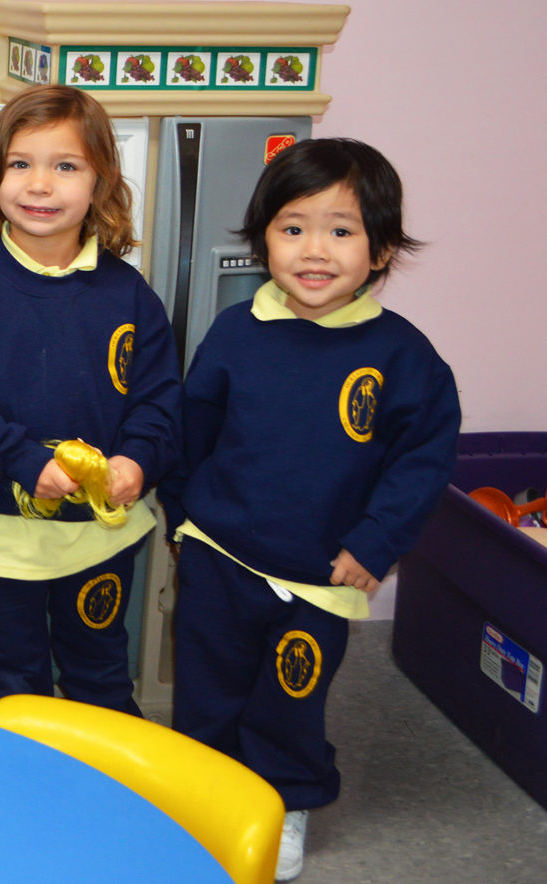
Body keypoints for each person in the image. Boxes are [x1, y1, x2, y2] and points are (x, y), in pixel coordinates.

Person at [158, 138, 459, 882]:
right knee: (206, 691)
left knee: (288, 701)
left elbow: (419, 463)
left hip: (323, 576)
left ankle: (282, 804)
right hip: (220, 559)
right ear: (264, 238)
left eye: (341, 230)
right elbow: (192, 428)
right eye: (293, 228)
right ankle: (203, 796)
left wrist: (375, 544)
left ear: (382, 249)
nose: (314, 250)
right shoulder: (236, 332)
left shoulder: (403, 358)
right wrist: (184, 515)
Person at [0, 84, 179, 717]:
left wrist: (138, 461)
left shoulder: (130, 294)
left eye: (66, 166)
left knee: (102, 677)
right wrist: (29, 463)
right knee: (12, 681)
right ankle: (17, 805)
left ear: (100, 184)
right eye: (21, 164)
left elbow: (160, 400)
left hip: (103, 541)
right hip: (5, 540)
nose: (40, 184)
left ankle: (108, 803)